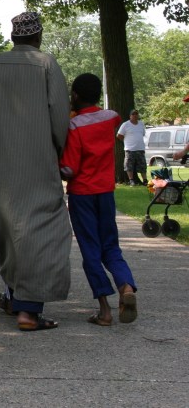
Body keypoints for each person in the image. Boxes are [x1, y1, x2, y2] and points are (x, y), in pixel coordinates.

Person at [0, 11, 72, 331]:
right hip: (38, 161)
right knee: (43, 230)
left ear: (13, 37)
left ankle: (14, 295)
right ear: (38, 36)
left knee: (9, 231)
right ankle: (28, 310)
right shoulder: (46, 64)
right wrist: (59, 150)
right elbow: (59, 118)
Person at [59, 73, 137, 326]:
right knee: (110, 245)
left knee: (90, 249)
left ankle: (104, 310)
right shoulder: (109, 118)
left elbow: (69, 169)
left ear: (75, 96)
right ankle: (126, 287)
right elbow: (114, 114)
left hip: (82, 195)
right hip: (105, 192)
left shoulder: (74, 126)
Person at [116, 109, 147, 186]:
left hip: (140, 148)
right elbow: (119, 135)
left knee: (142, 165)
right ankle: (131, 180)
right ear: (130, 116)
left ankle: (145, 180)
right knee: (129, 165)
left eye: (136, 114)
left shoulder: (141, 124)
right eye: (133, 114)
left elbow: (142, 134)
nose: (135, 115)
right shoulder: (125, 124)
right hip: (130, 149)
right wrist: (126, 141)